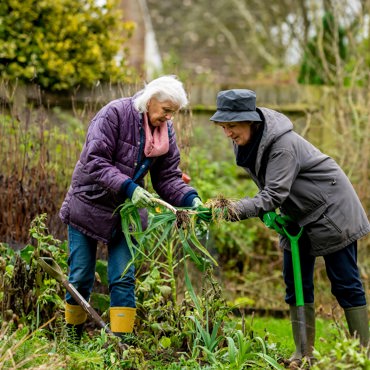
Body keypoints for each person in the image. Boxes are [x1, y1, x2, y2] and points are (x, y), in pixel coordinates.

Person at [207, 89, 369, 364]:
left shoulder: (282, 145)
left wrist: (234, 209)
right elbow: (271, 191)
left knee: (345, 282)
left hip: (333, 210)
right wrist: (268, 214)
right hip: (299, 214)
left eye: (232, 126)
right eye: (224, 126)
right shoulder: (248, 143)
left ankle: (363, 353)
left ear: (251, 121)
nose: (228, 133)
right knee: (294, 282)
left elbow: (272, 195)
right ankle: (303, 354)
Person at [59, 75, 204, 342]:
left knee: (123, 278)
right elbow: (95, 159)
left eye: (174, 113)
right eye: (166, 111)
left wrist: (191, 199)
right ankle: (72, 340)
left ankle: (120, 346)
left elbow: (167, 177)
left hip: (126, 213)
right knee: (80, 275)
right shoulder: (114, 114)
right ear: (150, 101)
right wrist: (130, 187)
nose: (169, 118)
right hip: (89, 203)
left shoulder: (164, 132)